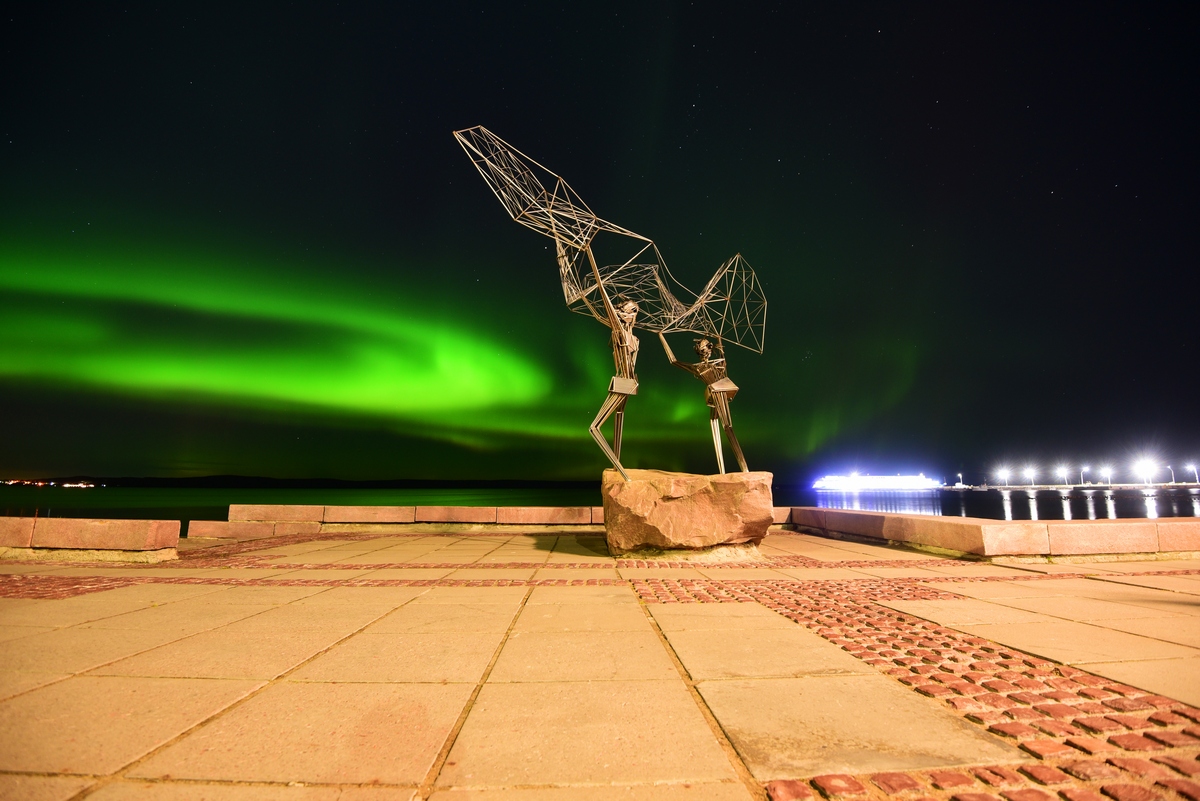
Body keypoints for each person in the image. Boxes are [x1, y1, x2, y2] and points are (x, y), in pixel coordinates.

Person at [659, 332, 748, 473]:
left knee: (727, 426)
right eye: (702, 348)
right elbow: (674, 361)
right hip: (714, 393)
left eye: (706, 347)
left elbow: (721, 353)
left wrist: (718, 337)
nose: (705, 351)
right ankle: (723, 471)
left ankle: (744, 469)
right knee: (714, 421)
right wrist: (662, 337)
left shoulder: (719, 362)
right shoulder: (699, 367)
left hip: (721, 391)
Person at [588, 298, 640, 480]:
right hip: (625, 382)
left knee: (594, 428)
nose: (632, 315)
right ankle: (618, 468)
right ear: (620, 312)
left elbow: (632, 365)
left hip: (626, 382)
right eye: (628, 311)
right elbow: (606, 305)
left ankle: (623, 473)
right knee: (617, 417)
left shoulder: (634, 340)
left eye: (634, 312)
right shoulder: (618, 332)